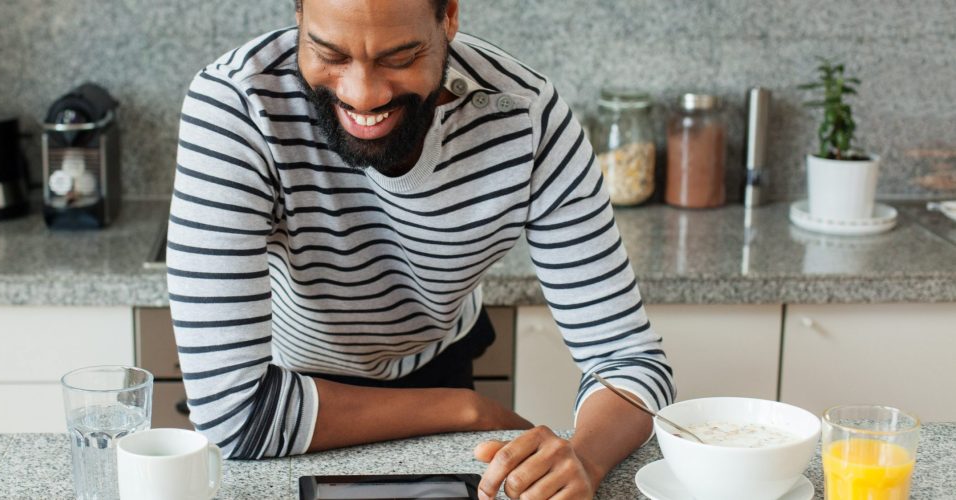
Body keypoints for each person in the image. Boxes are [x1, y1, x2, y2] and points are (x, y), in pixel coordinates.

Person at [167, 0, 675, 497]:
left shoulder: (526, 119)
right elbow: (233, 411)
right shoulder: (236, 105)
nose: (362, 94)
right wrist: (470, 412)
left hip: (439, 360)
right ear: (298, 15)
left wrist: (584, 456)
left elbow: (630, 360)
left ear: (449, 16)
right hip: (291, 394)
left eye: (400, 57)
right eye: (329, 54)